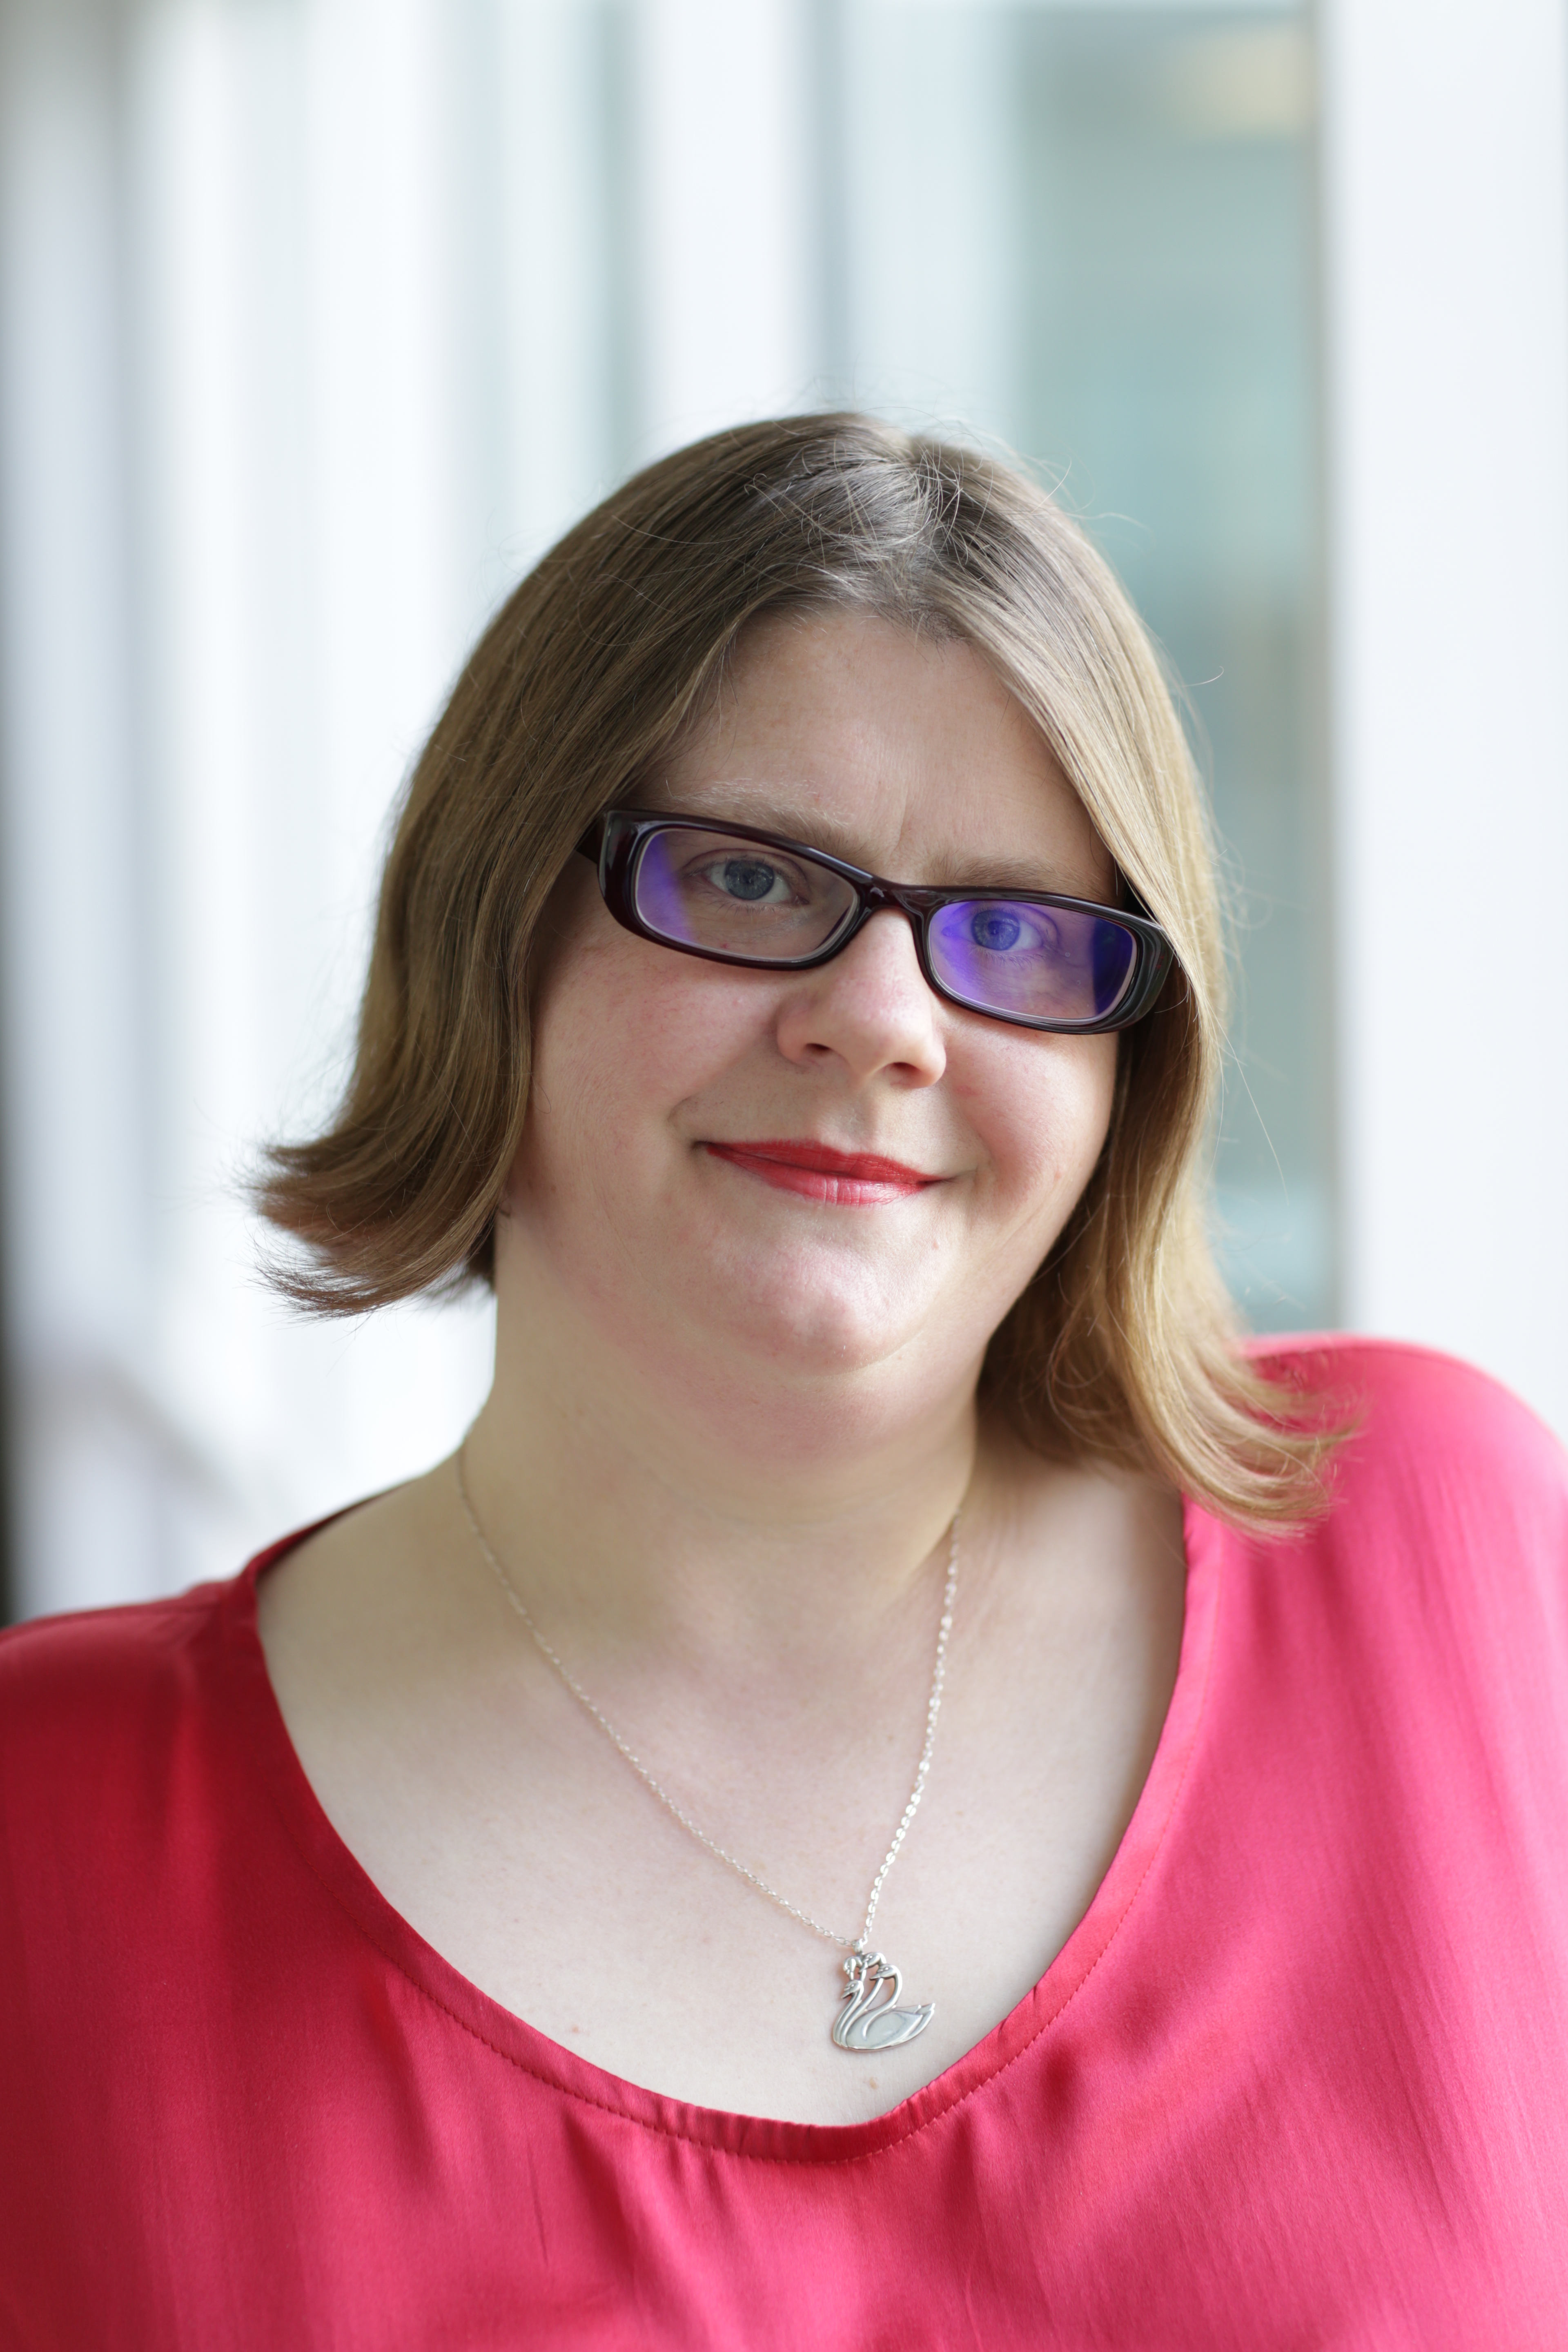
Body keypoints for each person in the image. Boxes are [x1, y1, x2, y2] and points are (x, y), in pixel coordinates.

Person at [2, 415, 1565, 2347]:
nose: (888, 1023)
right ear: (492, 935)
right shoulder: (44, 1832)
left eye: (1016, 932)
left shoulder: (1440, 1555)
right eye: (749, 880)